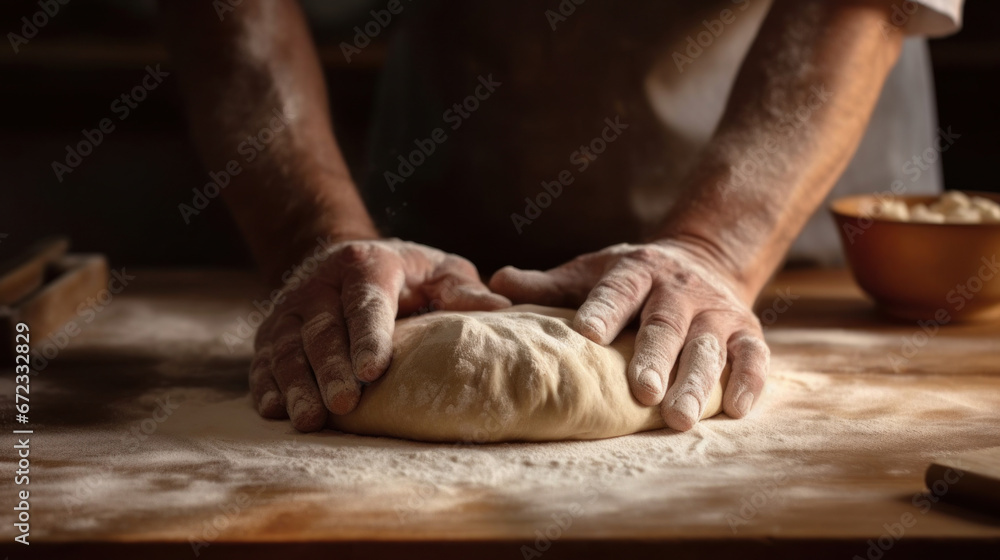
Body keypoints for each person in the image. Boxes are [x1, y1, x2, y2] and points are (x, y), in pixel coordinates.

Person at [162, 0, 963, 432]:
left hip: (784, 229)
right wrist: (320, 236)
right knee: (365, 343)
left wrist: (714, 245)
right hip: (438, 226)